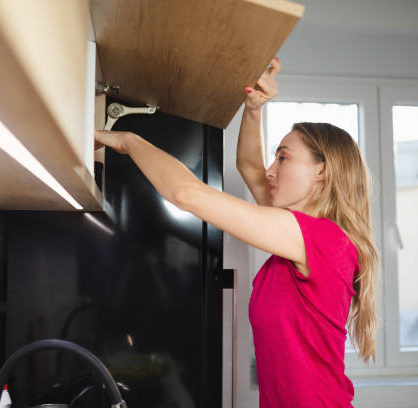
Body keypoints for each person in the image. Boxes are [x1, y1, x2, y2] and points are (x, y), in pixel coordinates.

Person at [95, 57, 379, 407]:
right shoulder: (295, 233)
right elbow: (248, 165)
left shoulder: (322, 240)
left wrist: (129, 141)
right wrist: (254, 108)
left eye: (284, 158)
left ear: (323, 172)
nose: (271, 171)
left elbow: (187, 194)